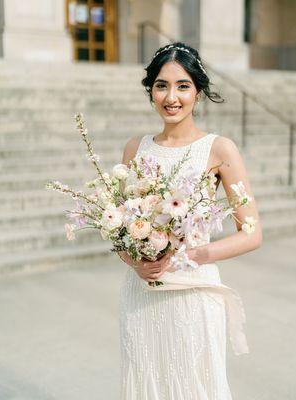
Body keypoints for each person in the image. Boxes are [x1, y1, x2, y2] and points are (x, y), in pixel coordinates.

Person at [117, 42, 262, 399]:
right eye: (162, 85)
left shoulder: (219, 149)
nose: (172, 97)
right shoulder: (135, 148)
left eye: (183, 85)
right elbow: (120, 228)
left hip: (193, 294)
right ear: (150, 90)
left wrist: (191, 255)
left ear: (198, 91)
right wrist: (134, 260)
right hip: (142, 294)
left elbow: (252, 233)